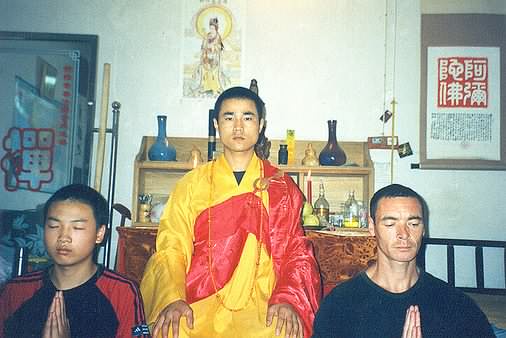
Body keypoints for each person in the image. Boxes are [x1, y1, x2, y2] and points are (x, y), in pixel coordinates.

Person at [140, 86, 321, 338]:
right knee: (172, 329)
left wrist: (287, 299)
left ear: (261, 126)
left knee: (284, 331)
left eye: (247, 118)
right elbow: (172, 248)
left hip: (263, 302)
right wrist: (173, 298)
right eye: (228, 117)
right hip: (199, 299)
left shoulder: (280, 186)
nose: (238, 127)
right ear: (216, 124)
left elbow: (295, 252)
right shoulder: (191, 184)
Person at [312, 183, 496, 338]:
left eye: (413, 224)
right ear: (371, 227)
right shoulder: (341, 304)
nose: (404, 235)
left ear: (424, 228)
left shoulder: (454, 304)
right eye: (390, 224)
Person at [0, 184, 149, 338]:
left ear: (99, 234)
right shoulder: (17, 290)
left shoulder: (122, 292)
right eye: (54, 226)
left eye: (77, 227)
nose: (63, 237)